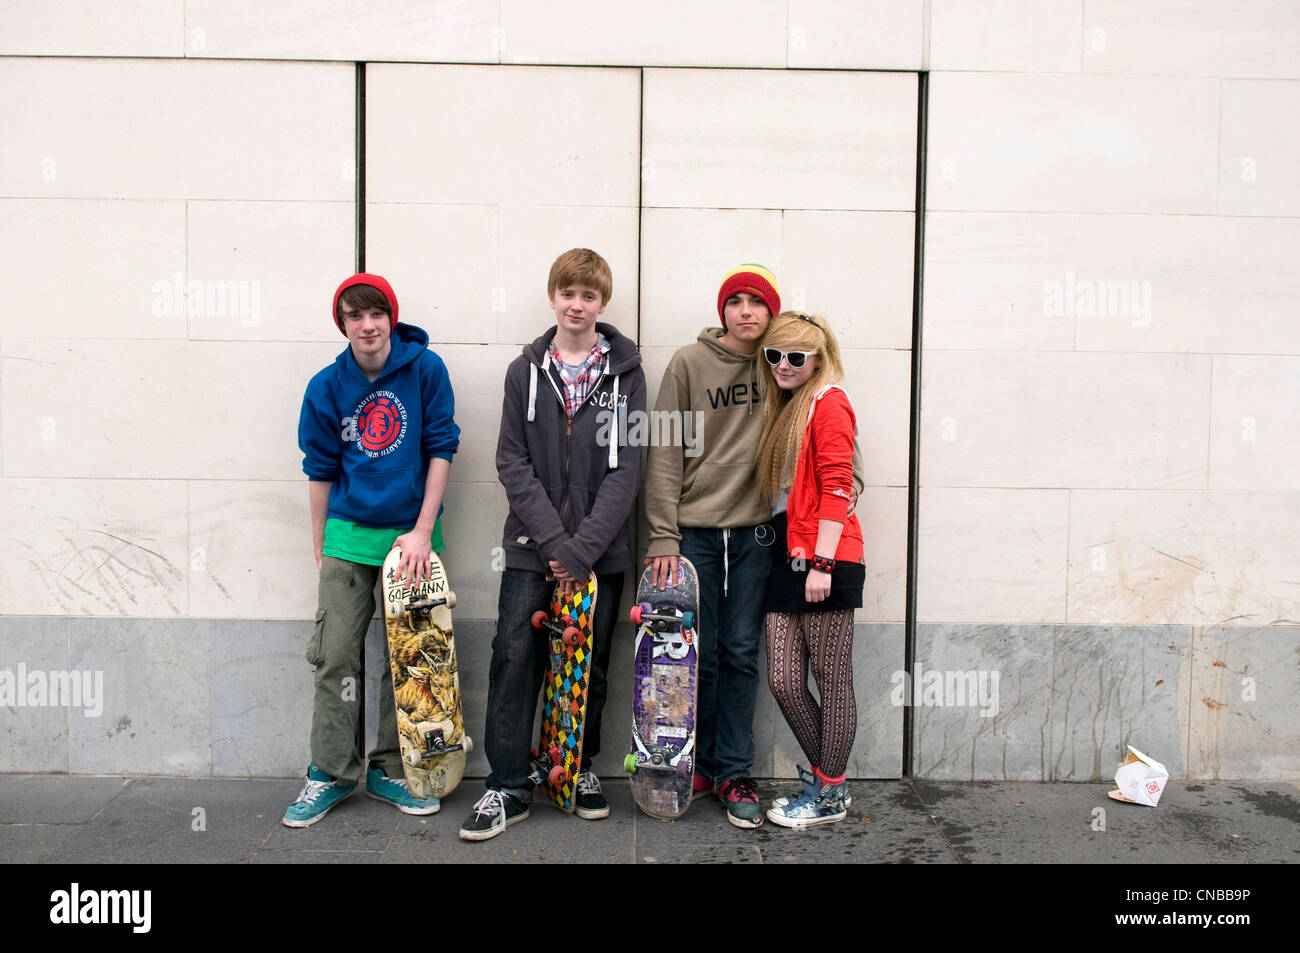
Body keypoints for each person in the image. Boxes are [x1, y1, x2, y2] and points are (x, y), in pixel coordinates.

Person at [646, 264, 866, 828]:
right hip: (693, 530)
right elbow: (665, 454)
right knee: (691, 653)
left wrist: (825, 523)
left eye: (758, 303)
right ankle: (693, 763)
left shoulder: (784, 367)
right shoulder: (688, 364)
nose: (747, 311)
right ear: (722, 310)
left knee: (742, 652)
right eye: (736, 301)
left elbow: (841, 468)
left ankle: (734, 772)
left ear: (773, 314)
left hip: (758, 536)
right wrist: (662, 534)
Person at [459, 248, 645, 842]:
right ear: (552, 297)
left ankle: (577, 768)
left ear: (602, 303)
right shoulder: (525, 371)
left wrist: (583, 548)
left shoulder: (628, 375)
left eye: (588, 295)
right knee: (515, 659)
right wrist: (555, 544)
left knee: (587, 664)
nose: (576, 304)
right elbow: (510, 461)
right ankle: (508, 784)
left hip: (600, 553)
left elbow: (629, 469)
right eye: (567, 293)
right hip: (529, 548)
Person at [283, 273, 460, 828]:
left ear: (391, 317)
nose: (367, 325)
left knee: (408, 659)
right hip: (347, 538)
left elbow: (441, 448)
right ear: (343, 325)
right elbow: (319, 468)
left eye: (376, 314)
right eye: (355, 317)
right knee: (335, 657)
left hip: (409, 542)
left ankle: (391, 769)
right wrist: (320, 542)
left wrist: (423, 530)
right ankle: (329, 774)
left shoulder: (425, 370)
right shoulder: (326, 386)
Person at [754, 311, 865, 827]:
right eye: (773, 354)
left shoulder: (829, 402)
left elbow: (840, 484)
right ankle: (825, 781)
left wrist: (821, 563)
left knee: (831, 677)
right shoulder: (790, 408)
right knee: (783, 679)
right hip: (788, 557)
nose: (782, 363)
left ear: (819, 359)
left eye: (795, 356)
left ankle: (831, 794)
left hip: (827, 558)